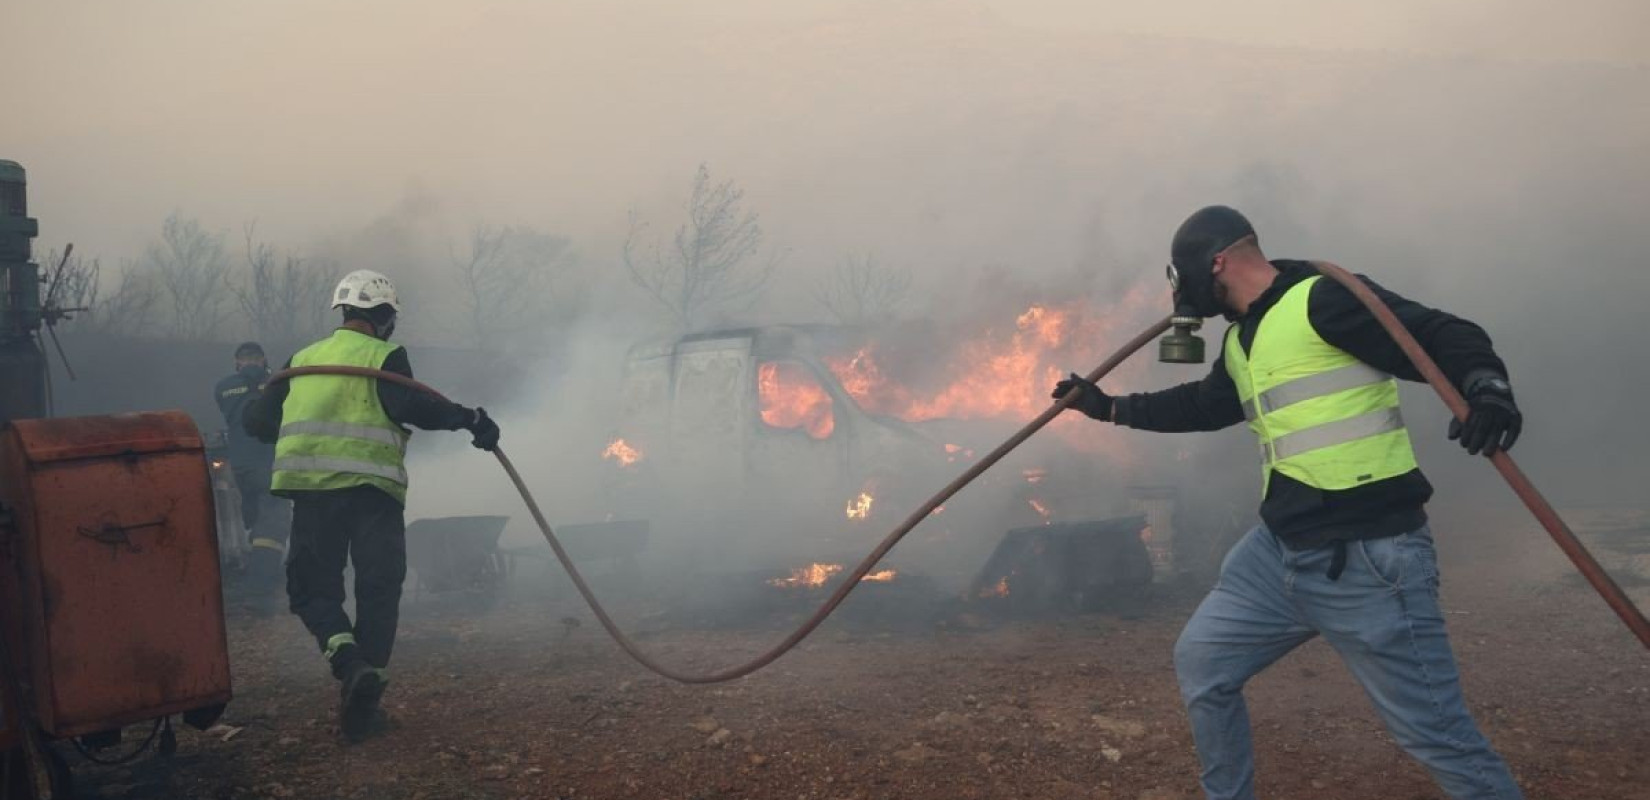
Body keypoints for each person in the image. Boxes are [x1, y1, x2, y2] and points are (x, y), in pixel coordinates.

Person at [1053, 206, 1524, 800]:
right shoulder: (1244, 339)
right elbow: (1204, 406)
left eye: (1184, 276)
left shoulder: (1324, 299)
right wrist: (1109, 407)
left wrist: (1487, 388)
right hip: (1278, 557)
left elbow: (1442, 333)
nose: (1182, 292)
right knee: (1203, 662)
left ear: (1216, 262)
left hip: (1370, 560)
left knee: (1437, 735)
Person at [243, 269, 501, 742]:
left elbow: (258, 421)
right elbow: (414, 407)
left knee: (313, 591)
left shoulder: (302, 360)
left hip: (314, 495)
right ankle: (365, 689)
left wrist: (260, 409)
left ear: (344, 311)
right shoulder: (386, 355)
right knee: (379, 588)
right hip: (371, 495)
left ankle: (349, 664)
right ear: (385, 317)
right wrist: (471, 422)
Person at [213, 341, 291, 610]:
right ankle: (260, 587)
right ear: (262, 360)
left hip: (240, 467)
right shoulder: (275, 383)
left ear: (237, 362)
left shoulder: (223, 388)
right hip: (269, 463)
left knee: (255, 518)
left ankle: (255, 567)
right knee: (275, 521)